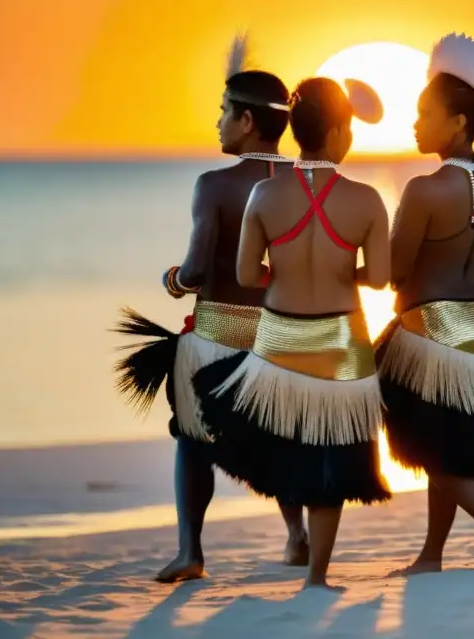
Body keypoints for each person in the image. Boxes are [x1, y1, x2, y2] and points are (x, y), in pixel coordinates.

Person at [113, 35, 308, 582]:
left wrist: (172, 281)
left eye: (224, 112)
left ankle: (190, 552)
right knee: (280, 433)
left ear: (247, 121)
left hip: (219, 330)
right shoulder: (304, 183)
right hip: (283, 334)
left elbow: (197, 269)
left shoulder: (215, 185)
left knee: (193, 436)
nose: (217, 122)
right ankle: (297, 535)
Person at [192, 75, 391, 590]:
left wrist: (280, 271)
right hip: (341, 343)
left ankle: (292, 542)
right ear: (341, 131)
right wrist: (342, 271)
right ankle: (317, 577)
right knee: (332, 460)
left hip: (280, 338)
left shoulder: (264, 192)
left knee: (290, 447)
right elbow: (381, 277)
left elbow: (243, 275)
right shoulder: (367, 199)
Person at [376, 33, 474, 574]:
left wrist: (331, 265)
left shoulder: (423, 190)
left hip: (430, 329)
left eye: (425, 113)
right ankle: (431, 554)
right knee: (442, 443)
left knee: (422, 443)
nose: (415, 123)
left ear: (460, 123)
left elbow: (393, 272)